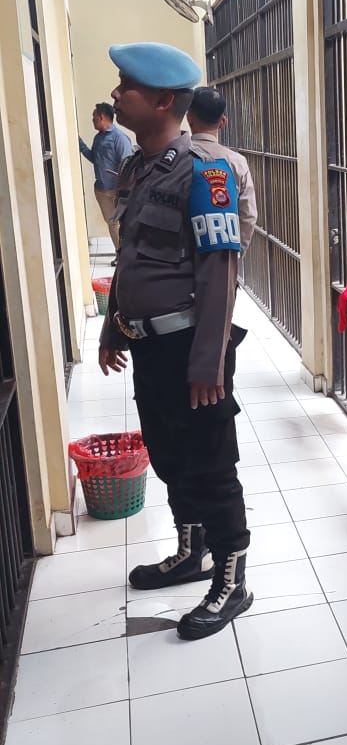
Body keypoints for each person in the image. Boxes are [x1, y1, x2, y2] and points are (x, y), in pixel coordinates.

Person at [97, 42, 254, 640]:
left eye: (127, 86)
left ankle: (232, 580)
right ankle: (192, 553)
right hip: (149, 347)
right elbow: (131, 258)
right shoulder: (138, 169)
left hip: (191, 348)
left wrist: (209, 361)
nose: (116, 95)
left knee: (210, 464)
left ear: (163, 100)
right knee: (167, 454)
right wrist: (114, 326)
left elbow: (220, 271)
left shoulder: (206, 172)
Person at [187, 86, 258, 253]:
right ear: (223, 122)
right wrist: (236, 253)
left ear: (189, 118)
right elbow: (248, 215)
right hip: (223, 256)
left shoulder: (178, 158)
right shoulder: (237, 162)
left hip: (183, 257)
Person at [79, 102, 133, 262]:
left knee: (123, 223)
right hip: (102, 190)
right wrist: (80, 144)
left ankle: (126, 255)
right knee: (112, 223)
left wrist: (121, 180)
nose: (92, 120)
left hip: (117, 190)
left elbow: (127, 164)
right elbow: (94, 158)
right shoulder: (98, 138)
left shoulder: (119, 138)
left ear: (102, 117)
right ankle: (120, 254)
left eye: (94, 117)